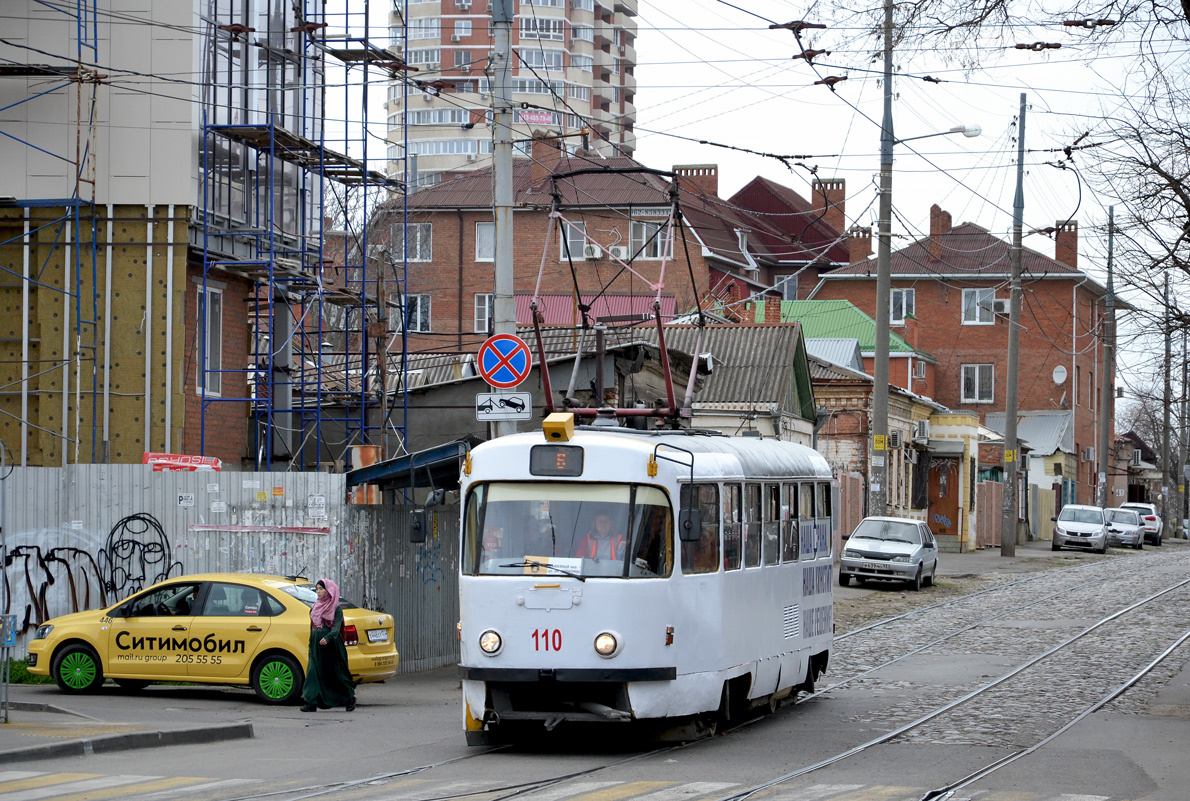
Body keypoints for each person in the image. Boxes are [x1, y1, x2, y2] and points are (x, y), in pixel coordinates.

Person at [300, 578, 356, 713]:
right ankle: (311, 702)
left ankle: (349, 699)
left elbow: (336, 628)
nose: (319, 592)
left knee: (336, 673)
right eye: (317, 589)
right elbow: (312, 626)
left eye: (321, 589)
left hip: (332, 646)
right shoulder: (314, 607)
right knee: (313, 672)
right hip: (316, 645)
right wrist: (311, 643)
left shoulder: (336, 608)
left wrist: (328, 637)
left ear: (329, 590)